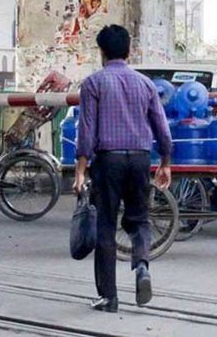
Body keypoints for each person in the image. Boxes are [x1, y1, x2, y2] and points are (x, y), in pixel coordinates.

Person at [73, 25, 172, 313]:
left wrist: (81, 170)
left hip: (108, 160)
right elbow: (162, 130)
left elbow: (87, 132)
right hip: (140, 158)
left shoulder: (93, 83)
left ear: (101, 52)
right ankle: (142, 266)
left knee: (105, 225)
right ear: (129, 51)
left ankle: (109, 297)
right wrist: (165, 163)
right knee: (139, 220)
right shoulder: (146, 84)